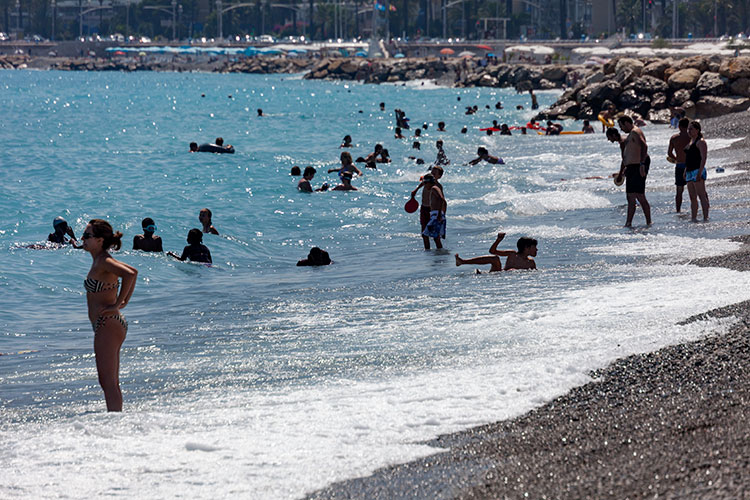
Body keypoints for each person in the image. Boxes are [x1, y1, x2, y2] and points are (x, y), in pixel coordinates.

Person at [81, 219, 138, 411]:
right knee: (108, 381)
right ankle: (116, 418)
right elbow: (134, 271)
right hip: (108, 323)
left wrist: (117, 305)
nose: (83, 239)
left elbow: (129, 275)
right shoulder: (101, 260)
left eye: (87, 236)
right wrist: (123, 302)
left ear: (99, 240)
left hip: (108, 323)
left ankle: (115, 421)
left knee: (108, 382)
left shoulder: (104, 261)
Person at [614, 115, 652, 227]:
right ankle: (628, 223)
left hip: (637, 166)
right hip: (631, 168)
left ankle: (649, 221)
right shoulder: (630, 134)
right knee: (630, 197)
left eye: (621, 126)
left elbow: (644, 147)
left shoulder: (636, 132)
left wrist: (642, 164)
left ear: (627, 123)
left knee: (640, 196)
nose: (621, 129)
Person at [455, 233, 538, 272]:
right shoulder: (513, 254)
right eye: (535, 247)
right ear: (527, 248)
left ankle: (483, 275)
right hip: (499, 274)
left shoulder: (531, 263)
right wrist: (498, 240)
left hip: (505, 280)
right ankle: (463, 262)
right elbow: (492, 251)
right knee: (495, 259)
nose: (537, 250)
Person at [411, 166, 445, 250]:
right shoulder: (426, 182)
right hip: (424, 208)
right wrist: (416, 190)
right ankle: (427, 251)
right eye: (431, 172)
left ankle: (440, 252)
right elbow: (422, 183)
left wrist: (442, 214)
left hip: (432, 210)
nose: (432, 174)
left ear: (439, 176)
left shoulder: (437, 187)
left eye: (434, 173)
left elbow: (443, 201)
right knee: (424, 234)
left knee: (435, 236)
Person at [685, 120, 710, 222]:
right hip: (689, 171)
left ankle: (705, 217)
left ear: (697, 130)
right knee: (692, 197)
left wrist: (700, 172)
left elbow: (703, 158)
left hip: (697, 170)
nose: (689, 131)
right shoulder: (691, 142)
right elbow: (689, 158)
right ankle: (694, 218)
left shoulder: (701, 142)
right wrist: (685, 170)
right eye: (688, 129)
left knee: (701, 195)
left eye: (691, 129)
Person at [668, 117, 691, 213]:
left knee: (679, 191)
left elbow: (669, 153)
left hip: (680, 165)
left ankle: (678, 210)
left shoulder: (674, 138)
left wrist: (676, 159)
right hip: (691, 165)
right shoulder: (691, 137)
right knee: (694, 189)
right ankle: (698, 209)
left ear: (679, 126)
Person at [421, 173, 446, 249]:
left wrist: (439, 215)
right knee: (435, 237)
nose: (424, 185)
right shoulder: (433, 188)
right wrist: (443, 214)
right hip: (436, 214)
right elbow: (445, 203)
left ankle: (428, 251)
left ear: (429, 182)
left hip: (436, 215)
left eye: (425, 183)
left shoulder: (434, 188)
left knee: (425, 235)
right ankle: (439, 253)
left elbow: (442, 199)